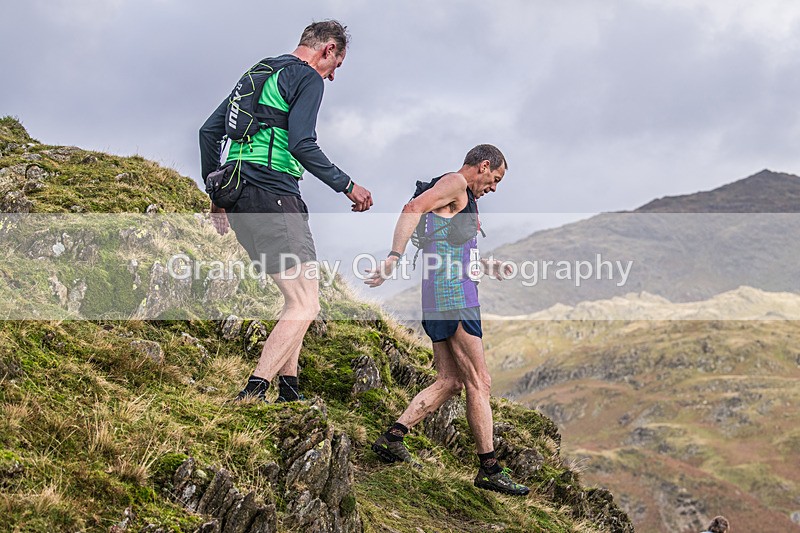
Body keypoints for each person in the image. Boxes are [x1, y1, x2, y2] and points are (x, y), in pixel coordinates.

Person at [199, 20, 373, 403]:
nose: (332, 77)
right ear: (328, 49)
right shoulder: (306, 77)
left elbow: (209, 132)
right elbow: (302, 144)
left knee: (299, 298)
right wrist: (347, 185)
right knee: (306, 303)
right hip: (274, 195)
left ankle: (290, 391)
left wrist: (218, 196)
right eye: (336, 66)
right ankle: (254, 390)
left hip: (241, 197)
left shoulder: (260, 72)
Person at [364, 144, 529, 496]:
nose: (494, 188)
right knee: (480, 381)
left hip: (438, 294)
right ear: (484, 165)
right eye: (495, 179)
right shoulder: (455, 183)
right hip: (455, 296)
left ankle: (394, 437)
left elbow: (447, 245)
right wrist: (393, 257)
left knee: (451, 380)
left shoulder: (457, 194)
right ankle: (489, 468)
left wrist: (487, 265)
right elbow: (412, 208)